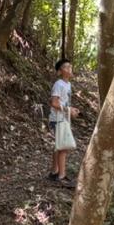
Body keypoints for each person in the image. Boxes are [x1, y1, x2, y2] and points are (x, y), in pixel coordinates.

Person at [48, 58, 77, 186]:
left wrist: (71, 110)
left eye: (70, 66)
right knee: (63, 147)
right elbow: (54, 103)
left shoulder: (68, 84)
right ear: (60, 72)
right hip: (58, 118)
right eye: (66, 67)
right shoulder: (58, 84)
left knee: (58, 145)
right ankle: (62, 176)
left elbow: (63, 102)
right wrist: (68, 110)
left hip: (63, 118)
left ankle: (54, 171)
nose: (69, 69)